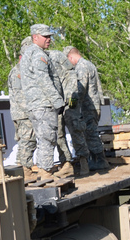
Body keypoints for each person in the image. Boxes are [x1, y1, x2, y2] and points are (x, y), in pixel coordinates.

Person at [20, 24, 67, 181]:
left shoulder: (31, 53)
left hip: (37, 103)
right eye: (45, 36)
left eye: (50, 36)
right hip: (43, 103)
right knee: (48, 138)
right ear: (35, 37)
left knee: (44, 138)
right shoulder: (37, 54)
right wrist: (57, 100)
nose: (49, 39)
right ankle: (46, 172)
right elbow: (44, 79)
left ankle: (44, 171)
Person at [67, 47, 109, 171]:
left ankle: (100, 161)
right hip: (93, 104)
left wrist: (71, 104)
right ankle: (97, 160)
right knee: (91, 132)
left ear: (70, 57)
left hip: (88, 106)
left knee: (91, 133)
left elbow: (80, 89)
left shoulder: (81, 67)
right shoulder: (89, 64)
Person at [52, 47, 89, 176]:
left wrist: (70, 104)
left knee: (76, 129)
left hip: (69, 103)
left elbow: (72, 85)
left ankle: (84, 162)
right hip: (57, 103)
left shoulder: (65, 67)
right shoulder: (48, 67)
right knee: (58, 134)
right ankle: (66, 163)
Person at [8, 38, 36, 181]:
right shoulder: (18, 72)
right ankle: (25, 170)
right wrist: (33, 111)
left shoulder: (25, 71)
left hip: (24, 113)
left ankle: (22, 170)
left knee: (26, 141)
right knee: (27, 141)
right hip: (23, 114)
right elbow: (20, 96)